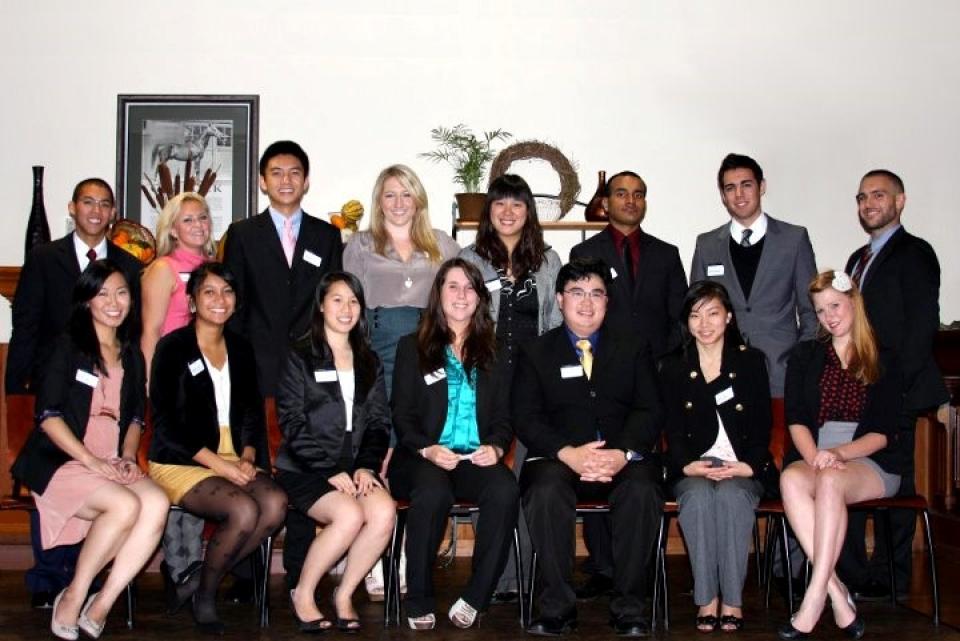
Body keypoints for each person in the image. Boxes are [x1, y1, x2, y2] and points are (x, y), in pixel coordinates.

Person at [11, 260, 167, 640]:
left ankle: (102, 602)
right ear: (86, 301)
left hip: (112, 460)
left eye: (122, 292)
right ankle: (74, 594)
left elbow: (135, 419)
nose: (114, 302)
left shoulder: (131, 353)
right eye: (103, 294)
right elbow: (47, 416)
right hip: (63, 459)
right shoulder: (66, 347)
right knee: (125, 505)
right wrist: (92, 461)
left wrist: (128, 458)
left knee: (157, 503)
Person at [6, 178, 143, 609]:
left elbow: (131, 329)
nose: (96, 211)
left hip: (107, 387)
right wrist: (17, 388)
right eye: (88, 202)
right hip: (57, 389)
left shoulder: (128, 263)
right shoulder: (46, 257)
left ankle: (85, 579)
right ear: (73, 207)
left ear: (113, 212)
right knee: (56, 483)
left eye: (105, 204)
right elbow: (26, 322)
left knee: (106, 487)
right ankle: (49, 579)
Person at [514, 257, 664, 638]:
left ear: (607, 302)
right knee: (544, 489)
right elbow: (526, 418)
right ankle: (557, 607)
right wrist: (568, 453)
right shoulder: (536, 352)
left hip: (622, 457)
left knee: (644, 488)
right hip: (558, 458)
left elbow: (651, 409)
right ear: (560, 299)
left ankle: (630, 608)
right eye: (577, 293)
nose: (586, 302)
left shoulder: (633, 348)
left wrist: (621, 453)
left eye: (596, 293)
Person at [690, 153, 817, 594]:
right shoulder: (707, 244)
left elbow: (810, 312)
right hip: (723, 376)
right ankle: (725, 565)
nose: (738, 194)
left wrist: (801, 366)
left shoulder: (794, 239)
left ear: (762, 186)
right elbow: (697, 310)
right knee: (732, 461)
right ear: (721, 194)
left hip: (781, 375)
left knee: (791, 464)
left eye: (746, 185)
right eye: (729, 187)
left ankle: (792, 565)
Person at [221, 140, 343, 591]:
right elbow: (232, 307)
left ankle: (299, 570)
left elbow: (330, 306)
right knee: (257, 468)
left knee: (304, 467)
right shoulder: (243, 234)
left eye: (295, 172)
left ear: (306, 180)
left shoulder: (326, 236)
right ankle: (246, 573)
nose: (286, 180)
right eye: (276, 172)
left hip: (311, 375)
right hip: (257, 370)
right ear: (262, 180)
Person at [148, 263, 287, 634]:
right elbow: (167, 424)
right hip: (182, 459)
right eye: (209, 292)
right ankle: (206, 595)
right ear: (192, 301)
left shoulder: (241, 348)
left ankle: (194, 582)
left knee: (274, 505)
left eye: (227, 291)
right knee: (242, 509)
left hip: (232, 455)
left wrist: (246, 458)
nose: (219, 300)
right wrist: (223, 468)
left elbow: (252, 413)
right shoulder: (173, 347)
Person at [342, 163, 459, 599]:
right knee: (380, 448)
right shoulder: (360, 245)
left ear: (419, 200)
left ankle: (409, 550)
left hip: (429, 360)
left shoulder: (444, 246)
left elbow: (459, 302)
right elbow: (348, 308)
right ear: (378, 201)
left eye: (406, 194)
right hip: (378, 358)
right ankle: (373, 551)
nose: (398, 203)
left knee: (418, 449)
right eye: (389, 195)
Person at [568, 171, 685, 598]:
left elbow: (679, 319)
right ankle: (601, 566)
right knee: (598, 460)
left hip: (653, 378)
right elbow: (580, 313)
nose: (630, 201)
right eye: (621, 193)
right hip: (600, 376)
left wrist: (655, 361)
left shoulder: (667, 254)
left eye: (638, 194)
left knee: (639, 468)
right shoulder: (585, 251)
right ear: (607, 200)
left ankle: (637, 566)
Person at [389, 258, 519, 630]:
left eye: (470, 288)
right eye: (453, 286)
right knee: (431, 492)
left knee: (505, 489)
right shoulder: (411, 347)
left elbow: (504, 417)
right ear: (439, 293)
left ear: (479, 298)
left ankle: (477, 595)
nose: (461, 295)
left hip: (474, 458)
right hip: (422, 457)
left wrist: (495, 447)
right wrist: (428, 449)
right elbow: (402, 414)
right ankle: (418, 597)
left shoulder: (495, 351)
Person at [777, 270, 904, 640]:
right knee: (790, 478)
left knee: (831, 479)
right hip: (816, 451)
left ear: (854, 302)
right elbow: (797, 420)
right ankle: (836, 593)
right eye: (819, 310)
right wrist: (817, 455)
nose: (829, 316)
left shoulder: (884, 355)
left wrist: (837, 454)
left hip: (869, 458)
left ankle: (814, 597)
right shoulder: (805, 355)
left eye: (835, 305)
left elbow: (882, 434)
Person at [841, 170, 948, 600]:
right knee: (861, 475)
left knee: (897, 483)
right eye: (862, 196)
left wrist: (896, 388)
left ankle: (891, 577)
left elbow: (921, 328)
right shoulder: (856, 260)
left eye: (879, 195)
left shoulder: (915, 253)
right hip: (863, 390)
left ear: (900, 201)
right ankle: (860, 573)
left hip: (899, 389)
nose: (869, 203)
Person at [459, 173, 562, 603]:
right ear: (489, 212)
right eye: (499, 204)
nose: (507, 212)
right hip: (484, 379)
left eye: (516, 204)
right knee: (492, 474)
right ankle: (495, 576)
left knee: (524, 473)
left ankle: (523, 573)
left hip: (531, 380)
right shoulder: (469, 259)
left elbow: (556, 323)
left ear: (528, 212)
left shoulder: (549, 261)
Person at [275, 271, 396, 632]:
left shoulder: (368, 359)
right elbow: (292, 423)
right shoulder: (299, 355)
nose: (347, 308)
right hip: (305, 465)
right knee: (347, 515)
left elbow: (379, 421)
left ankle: (344, 593)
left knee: (384, 512)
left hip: (354, 464)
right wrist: (328, 468)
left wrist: (367, 467)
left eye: (354, 300)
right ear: (322, 305)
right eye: (338, 299)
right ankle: (304, 593)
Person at [659, 280, 775, 633]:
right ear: (686, 321)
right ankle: (707, 599)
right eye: (695, 315)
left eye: (713, 313)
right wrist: (684, 464)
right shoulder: (674, 366)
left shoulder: (751, 361)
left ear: (728, 317)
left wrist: (748, 465)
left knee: (732, 496)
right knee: (695, 497)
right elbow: (672, 428)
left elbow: (762, 424)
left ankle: (733, 601)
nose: (704, 324)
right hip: (694, 463)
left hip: (741, 464)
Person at [138, 191, 214, 607]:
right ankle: (178, 564)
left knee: (198, 472)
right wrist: (152, 389)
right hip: (171, 385)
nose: (198, 225)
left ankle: (193, 563)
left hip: (205, 387)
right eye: (188, 220)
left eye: (202, 217)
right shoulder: (161, 270)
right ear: (172, 227)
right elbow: (149, 331)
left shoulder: (213, 271)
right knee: (172, 473)